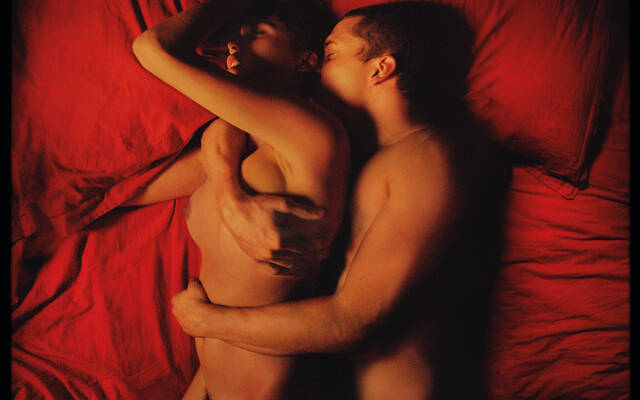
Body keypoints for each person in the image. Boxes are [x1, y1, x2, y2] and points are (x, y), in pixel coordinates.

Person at [170, 2, 508, 399]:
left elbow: (354, 324)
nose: (317, 68)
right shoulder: (360, 154)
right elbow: (231, 126)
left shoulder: (428, 158)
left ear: (380, 68)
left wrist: (205, 320)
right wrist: (229, 194)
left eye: (330, 55)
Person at [127, 1, 349, 399]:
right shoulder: (235, 151)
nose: (234, 44)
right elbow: (125, 195)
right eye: (235, 35)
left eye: (257, 32)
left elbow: (152, 48)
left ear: (306, 59)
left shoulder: (311, 135)